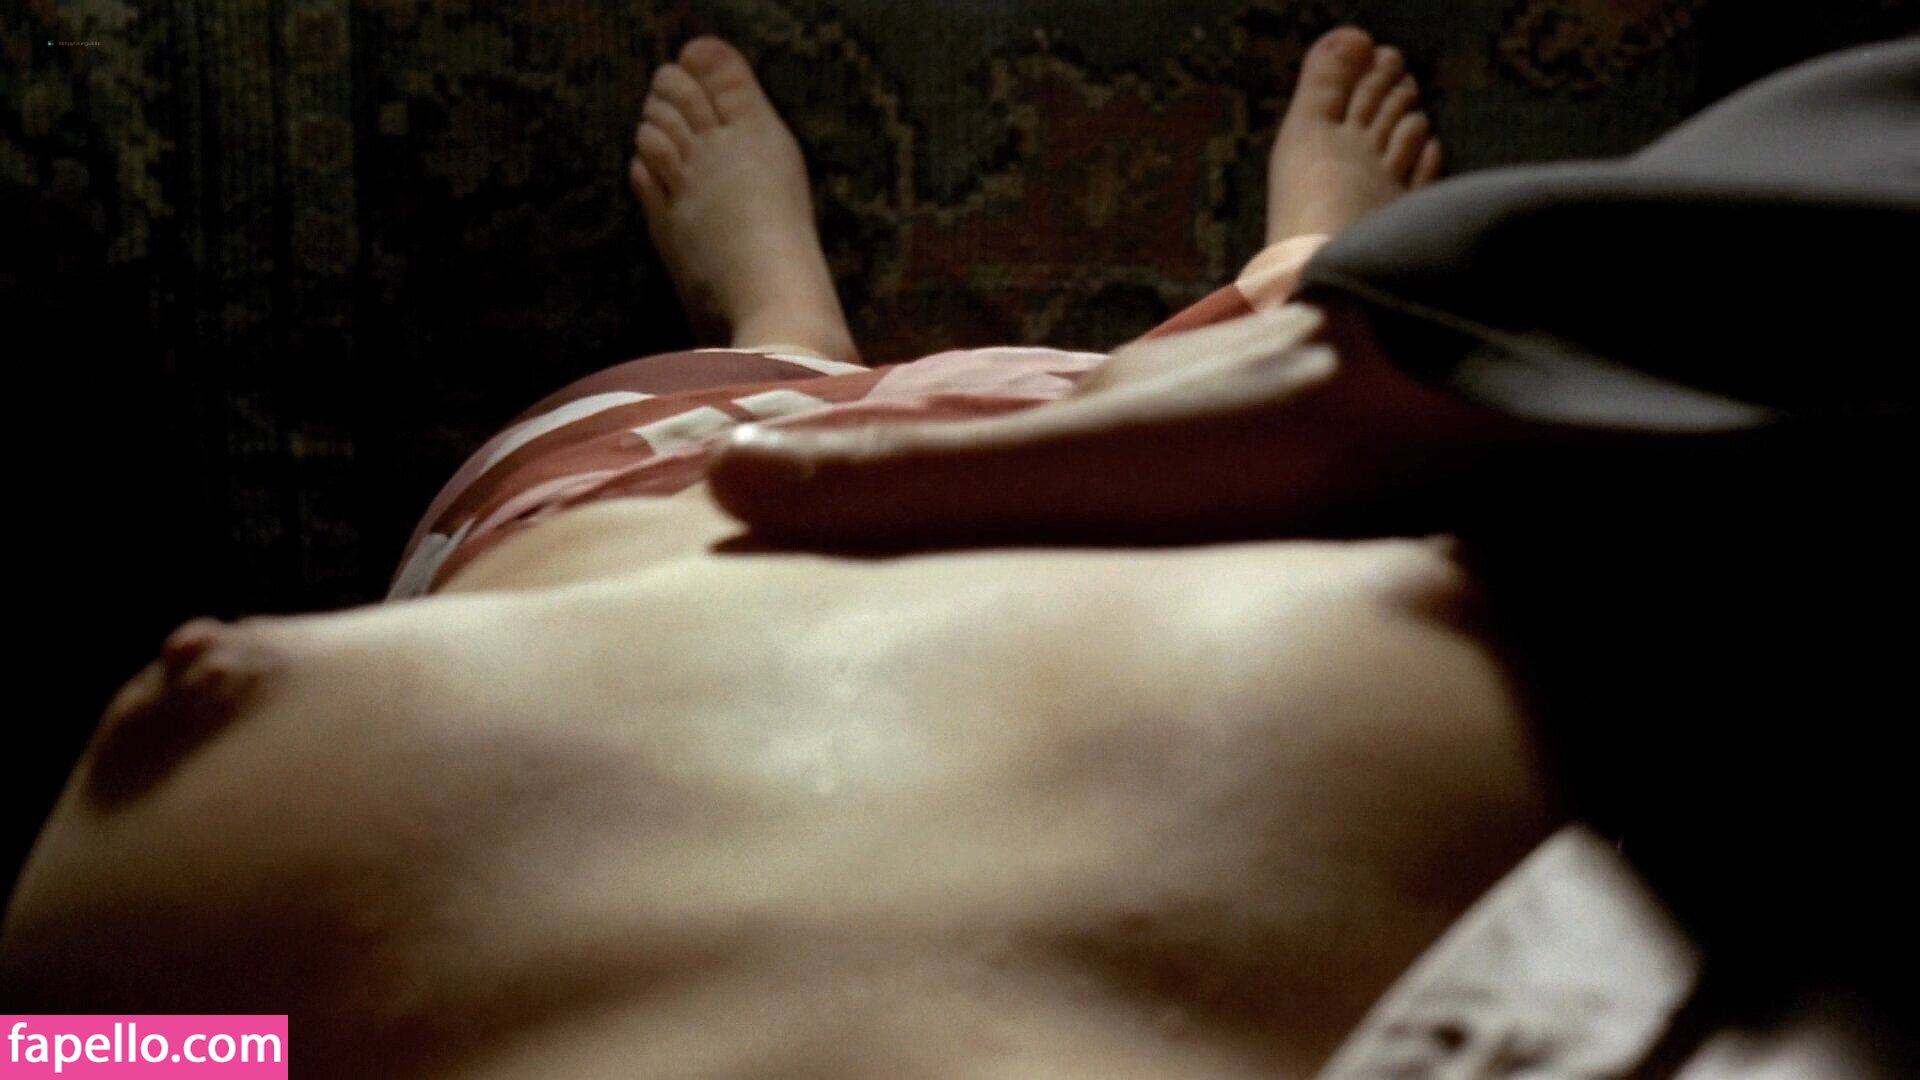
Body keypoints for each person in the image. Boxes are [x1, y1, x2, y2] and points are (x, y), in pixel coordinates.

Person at [2, 29, 1911, 1078]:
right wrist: (1454, 351)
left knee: (692, 425)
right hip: (1260, 510)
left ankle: (780, 318)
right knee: (1279, 335)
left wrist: (117, 1036)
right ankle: (1307, 270)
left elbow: (99, 1058)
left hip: (634, 518)